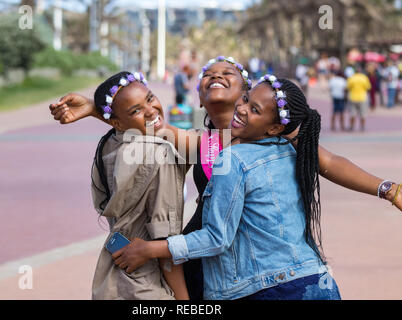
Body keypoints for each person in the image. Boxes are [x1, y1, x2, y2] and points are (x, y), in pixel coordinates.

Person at [50, 56, 402, 300]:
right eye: (208, 75)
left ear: (252, 93)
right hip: (216, 273)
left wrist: (387, 189)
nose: (215, 75)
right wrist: (101, 108)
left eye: (227, 73)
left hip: (279, 275)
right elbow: (148, 124)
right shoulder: (202, 142)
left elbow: (326, 162)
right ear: (200, 96)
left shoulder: (278, 139)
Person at [112, 76, 345, 300]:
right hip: (314, 279)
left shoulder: (233, 158)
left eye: (255, 109)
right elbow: (148, 124)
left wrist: (149, 250)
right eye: (245, 100)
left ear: (274, 127)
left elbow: (216, 238)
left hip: (267, 288)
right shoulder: (287, 147)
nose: (243, 109)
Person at [51, 71, 189, 300]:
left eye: (150, 98)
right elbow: (166, 243)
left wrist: (97, 111)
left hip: (113, 278)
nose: (151, 110)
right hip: (149, 284)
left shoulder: (108, 143)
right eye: (136, 110)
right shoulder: (160, 153)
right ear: (115, 121)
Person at [346, 67, 371, 131]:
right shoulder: (364, 78)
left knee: (352, 113)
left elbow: (348, 87)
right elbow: (368, 87)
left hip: (353, 97)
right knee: (363, 114)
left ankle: (352, 127)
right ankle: (362, 127)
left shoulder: (351, 78)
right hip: (362, 98)